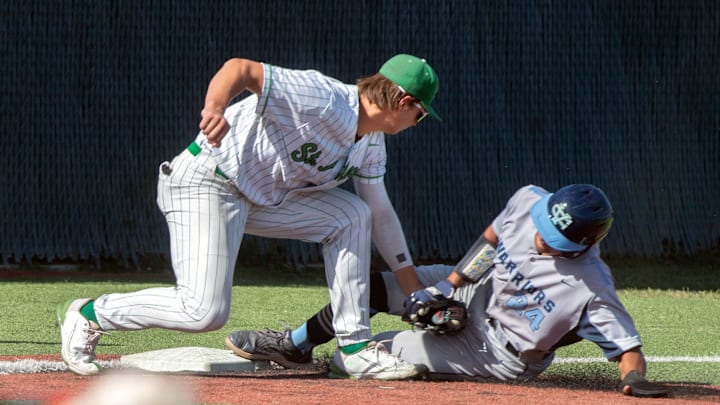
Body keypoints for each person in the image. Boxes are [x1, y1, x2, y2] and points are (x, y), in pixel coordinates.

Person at [57, 53, 442, 380]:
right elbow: (240, 68)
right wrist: (214, 109)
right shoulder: (325, 98)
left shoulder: (371, 142)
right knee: (203, 311)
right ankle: (92, 314)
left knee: (353, 215)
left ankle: (356, 347)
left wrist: (413, 289)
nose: (417, 124)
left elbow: (380, 211)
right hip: (207, 181)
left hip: (261, 198)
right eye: (421, 115)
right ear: (404, 101)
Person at [226, 184, 669, 397]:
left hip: (495, 353)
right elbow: (492, 240)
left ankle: (391, 353)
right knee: (375, 288)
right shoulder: (530, 200)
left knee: (353, 357)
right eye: (541, 228)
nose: (539, 240)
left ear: (589, 243)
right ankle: (295, 345)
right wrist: (446, 287)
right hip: (475, 291)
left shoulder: (592, 287)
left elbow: (627, 347)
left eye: (554, 243)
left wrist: (635, 381)